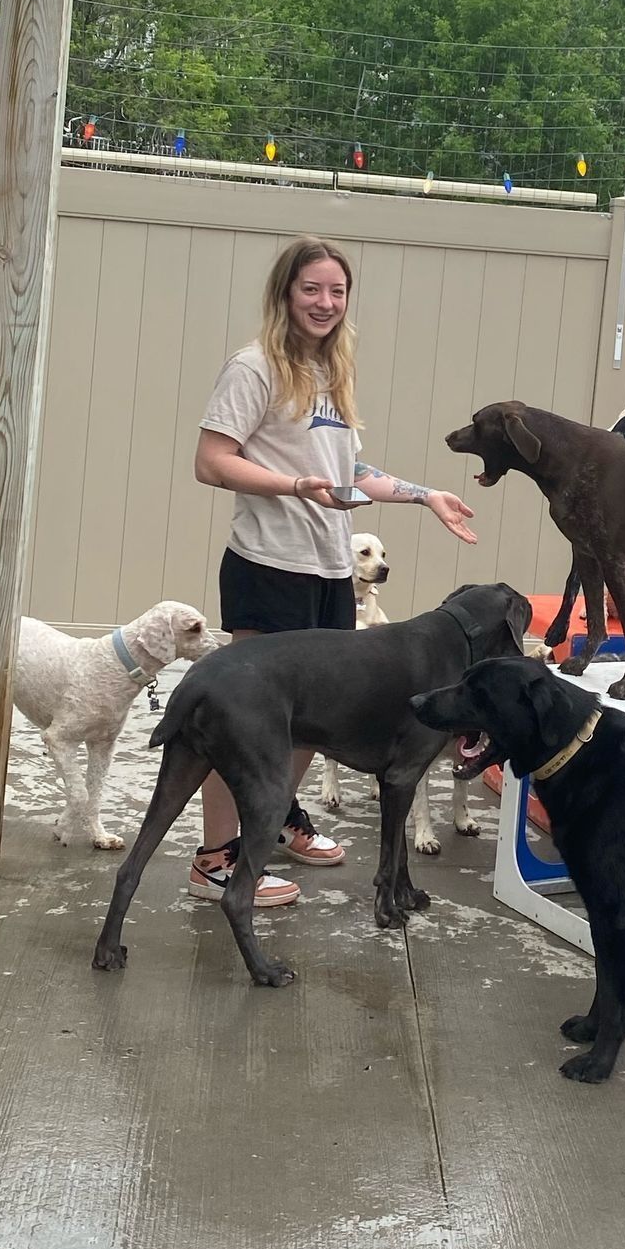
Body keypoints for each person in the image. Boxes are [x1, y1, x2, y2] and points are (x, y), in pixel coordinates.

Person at [190, 235, 477, 905]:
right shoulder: (254, 367)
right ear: (286, 293)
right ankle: (215, 861)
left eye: (336, 291)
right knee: (247, 724)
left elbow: (348, 476)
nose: (325, 302)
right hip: (269, 568)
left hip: (326, 572)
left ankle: (273, 825)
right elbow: (211, 460)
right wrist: (292, 486)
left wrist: (423, 494)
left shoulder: (331, 372)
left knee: (312, 722)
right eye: (311, 289)